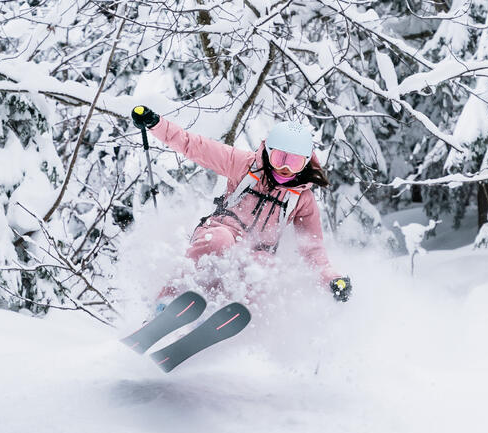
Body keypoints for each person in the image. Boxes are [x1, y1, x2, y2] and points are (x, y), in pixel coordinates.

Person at [131, 106, 352, 306]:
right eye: (279, 158)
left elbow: (312, 249)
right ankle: (169, 299)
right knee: (221, 240)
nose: (285, 167)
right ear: (268, 152)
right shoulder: (244, 165)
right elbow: (195, 146)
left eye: (294, 162)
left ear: (305, 162)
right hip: (221, 231)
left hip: (257, 252)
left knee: (265, 268)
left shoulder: (302, 199)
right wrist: (156, 124)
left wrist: (332, 278)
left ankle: (223, 315)